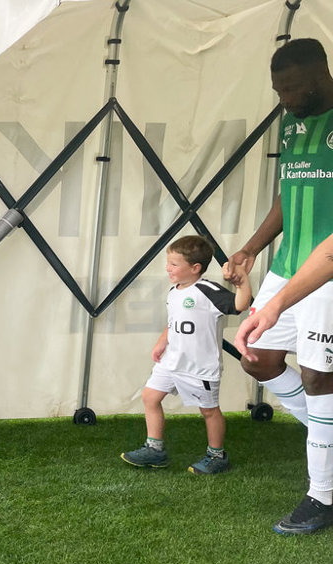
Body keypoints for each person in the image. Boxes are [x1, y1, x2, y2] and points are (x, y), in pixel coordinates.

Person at [221, 38, 333, 535]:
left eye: (290, 89)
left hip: (326, 272)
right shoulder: (292, 121)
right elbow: (292, 191)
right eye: (277, 90)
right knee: (258, 358)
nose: (283, 99)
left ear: (320, 77)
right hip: (287, 266)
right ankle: (326, 437)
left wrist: (279, 302)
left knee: (318, 378)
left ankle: (322, 494)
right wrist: (250, 249)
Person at [120, 235, 251, 474]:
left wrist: (242, 284)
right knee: (150, 397)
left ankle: (217, 455)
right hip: (171, 361)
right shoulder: (174, 291)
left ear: (195, 268)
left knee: (209, 411)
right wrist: (162, 343)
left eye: (174, 264)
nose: (168, 268)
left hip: (199, 367)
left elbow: (241, 305)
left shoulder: (208, 290)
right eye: (168, 263)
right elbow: (173, 322)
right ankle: (154, 449)